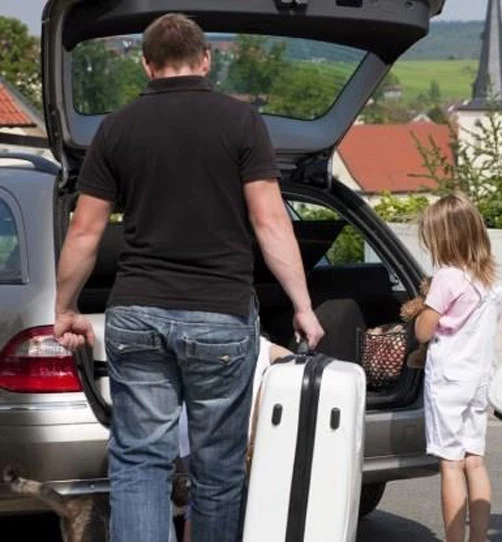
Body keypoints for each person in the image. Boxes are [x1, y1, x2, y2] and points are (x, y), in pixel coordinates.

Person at [53, 13, 324, 542]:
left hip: (137, 313)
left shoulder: (117, 127)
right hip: (219, 316)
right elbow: (270, 221)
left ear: (146, 64)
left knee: (138, 464)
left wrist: (65, 307)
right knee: (218, 471)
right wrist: (303, 305)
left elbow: (85, 231)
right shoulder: (242, 122)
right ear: (206, 59)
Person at [414, 193, 502, 542]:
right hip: (478, 378)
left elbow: (424, 328)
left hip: (449, 379)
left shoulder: (447, 277)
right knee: (475, 461)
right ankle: (478, 538)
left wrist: (422, 307)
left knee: (450, 464)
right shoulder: (487, 277)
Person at [178, 335, 293, 542]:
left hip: (188, 432)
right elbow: (293, 362)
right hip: (235, 441)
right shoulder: (258, 346)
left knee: (199, 499)